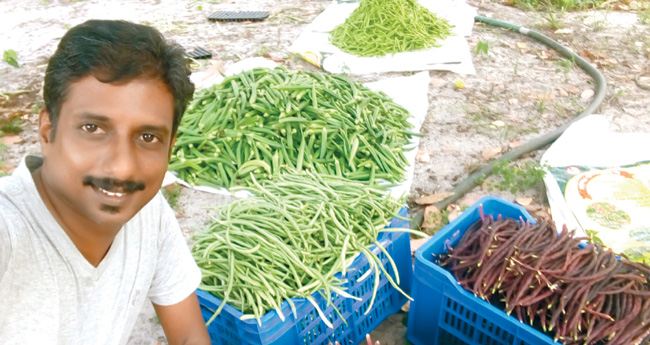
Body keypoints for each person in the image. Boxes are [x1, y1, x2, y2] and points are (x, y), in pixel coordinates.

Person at [0, 20, 211, 344]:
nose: (122, 168)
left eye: (147, 136)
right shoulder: (10, 234)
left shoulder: (149, 215)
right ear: (47, 131)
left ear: (170, 147)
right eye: (92, 129)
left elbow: (188, 338)